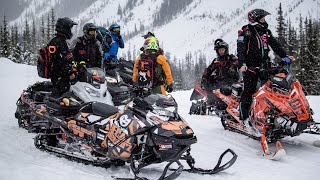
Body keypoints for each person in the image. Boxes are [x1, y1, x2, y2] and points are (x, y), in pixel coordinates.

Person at [237, 9, 293, 123]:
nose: (264, 20)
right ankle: (244, 118)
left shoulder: (265, 32)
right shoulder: (246, 32)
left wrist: (284, 56)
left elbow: (275, 45)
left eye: (264, 18)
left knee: (271, 90)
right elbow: (240, 50)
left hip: (265, 66)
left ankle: (272, 115)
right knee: (249, 91)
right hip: (250, 67)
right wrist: (242, 64)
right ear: (255, 19)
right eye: (262, 18)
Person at [201, 39, 239, 109]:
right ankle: (211, 100)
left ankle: (221, 103)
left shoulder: (231, 57)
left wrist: (233, 66)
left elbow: (237, 61)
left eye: (222, 50)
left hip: (230, 80)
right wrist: (204, 78)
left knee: (225, 89)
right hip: (219, 81)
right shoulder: (216, 61)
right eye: (219, 50)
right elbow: (209, 69)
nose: (221, 52)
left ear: (226, 50)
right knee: (208, 82)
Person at [48, 17, 77, 97]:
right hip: (60, 76)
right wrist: (70, 73)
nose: (70, 31)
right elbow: (63, 61)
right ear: (65, 29)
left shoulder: (56, 40)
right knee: (62, 97)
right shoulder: (60, 42)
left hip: (58, 75)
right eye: (69, 28)